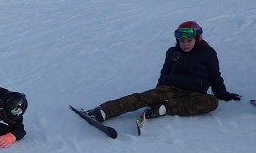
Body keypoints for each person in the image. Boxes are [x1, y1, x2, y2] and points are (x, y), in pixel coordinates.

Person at [85, 20, 240, 122]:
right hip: (169, 88)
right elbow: (165, 71)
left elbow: (215, 76)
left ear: (197, 39)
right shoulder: (173, 52)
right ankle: (104, 111)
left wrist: (222, 94)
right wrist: (158, 90)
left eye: (189, 41)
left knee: (211, 103)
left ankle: (165, 108)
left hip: (195, 92)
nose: (185, 44)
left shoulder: (208, 53)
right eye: (182, 41)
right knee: (141, 98)